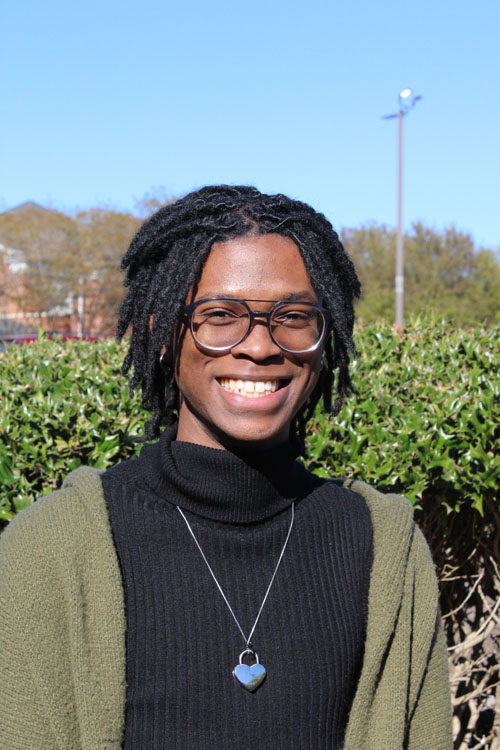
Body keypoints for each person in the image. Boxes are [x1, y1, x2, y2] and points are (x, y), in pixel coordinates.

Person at [0, 185, 452, 750]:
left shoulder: (386, 551)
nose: (260, 347)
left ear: (325, 333)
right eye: (220, 315)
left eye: (293, 316)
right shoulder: (50, 550)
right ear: (164, 333)